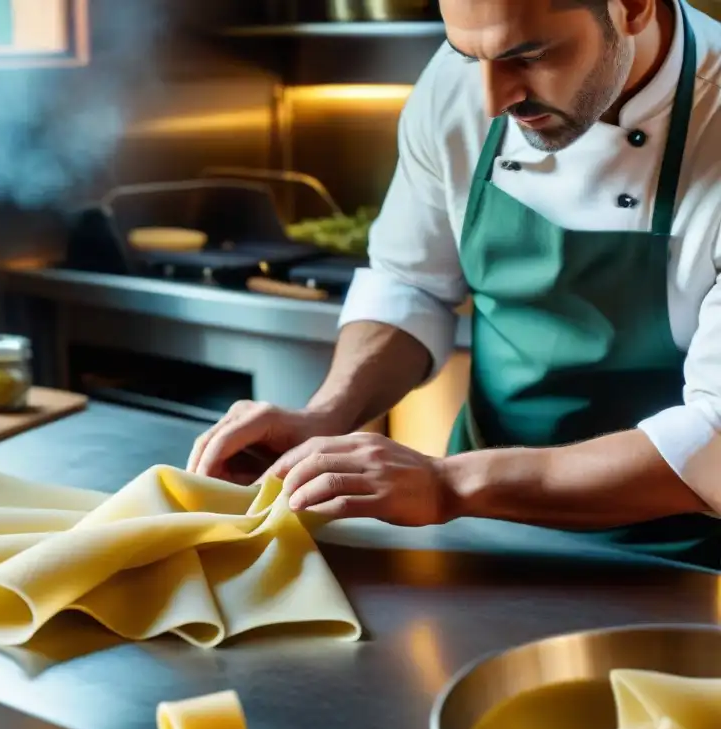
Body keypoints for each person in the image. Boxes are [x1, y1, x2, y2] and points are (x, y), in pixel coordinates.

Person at [188, 0, 721, 567]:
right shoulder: (458, 81)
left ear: (633, 8)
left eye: (530, 56)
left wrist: (449, 485)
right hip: (484, 535)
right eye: (472, 56)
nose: (493, 100)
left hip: (681, 557)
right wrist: (326, 415)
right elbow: (410, 283)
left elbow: (713, 438)